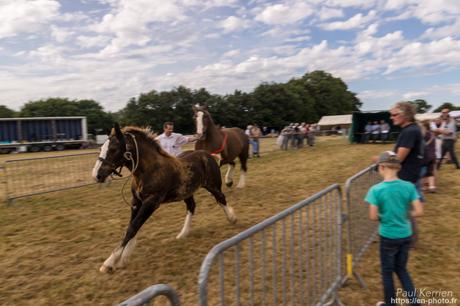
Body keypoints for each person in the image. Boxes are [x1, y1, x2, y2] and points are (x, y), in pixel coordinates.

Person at [366, 151, 423, 306]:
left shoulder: (376, 190)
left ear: (382, 167)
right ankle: (414, 302)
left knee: (387, 271)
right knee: (402, 269)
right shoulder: (409, 186)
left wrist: (385, 217)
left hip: (388, 236)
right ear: (398, 167)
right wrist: (404, 214)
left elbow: (372, 216)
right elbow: (419, 211)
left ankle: (390, 303)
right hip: (406, 235)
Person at [390, 102, 424, 247]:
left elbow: (398, 159)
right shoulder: (412, 129)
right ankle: (408, 239)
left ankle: (409, 240)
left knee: (405, 210)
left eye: (394, 114)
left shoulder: (409, 131)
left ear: (405, 114)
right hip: (410, 175)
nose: (391, 118)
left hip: (407, 177)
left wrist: (380, 159)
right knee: (405, 209)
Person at [420, 121, 437, 192]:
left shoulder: (424, 134)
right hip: (433, 155)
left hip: (426, 156)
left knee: (423, 171)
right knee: (430, 171)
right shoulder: (432, 134)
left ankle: (423, 186)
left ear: (424, 127)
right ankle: (432, 187)